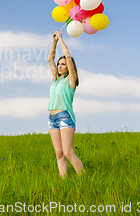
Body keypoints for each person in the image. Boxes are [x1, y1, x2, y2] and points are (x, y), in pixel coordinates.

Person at [47, 30, 84, 177]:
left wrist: (61, 39)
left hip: (65, 116)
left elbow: (68, 56)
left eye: (63, 64)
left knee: (69, 153)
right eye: (59, 64)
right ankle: (64, 183)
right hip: (52, 117)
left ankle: (84, 179)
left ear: (69, 67)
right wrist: (54, 41)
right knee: (59, 154)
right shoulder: (56, 79)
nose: (60, 66)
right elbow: (50, 59)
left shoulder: (71, 80)